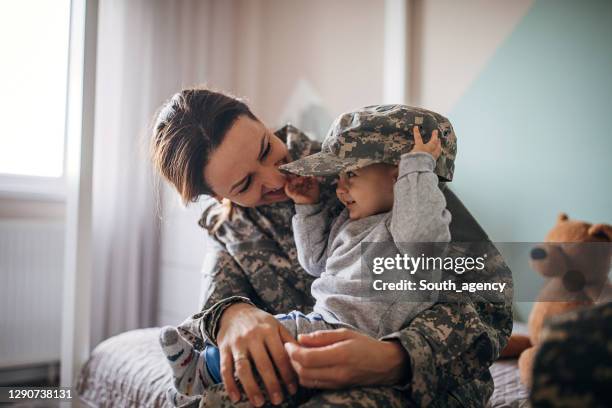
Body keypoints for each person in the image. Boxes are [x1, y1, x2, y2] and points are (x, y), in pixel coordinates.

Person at [150, 88, 513, 408]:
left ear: (259, 119)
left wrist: (396, 357)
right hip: (301, 367)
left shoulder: (366, 159)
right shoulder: (227, 227)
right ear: (218, 196)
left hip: (420, 382)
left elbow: (490, 300)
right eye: (245, 183)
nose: (276, 178)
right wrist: (233, 315)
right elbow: (205, 323)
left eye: (266, 148)